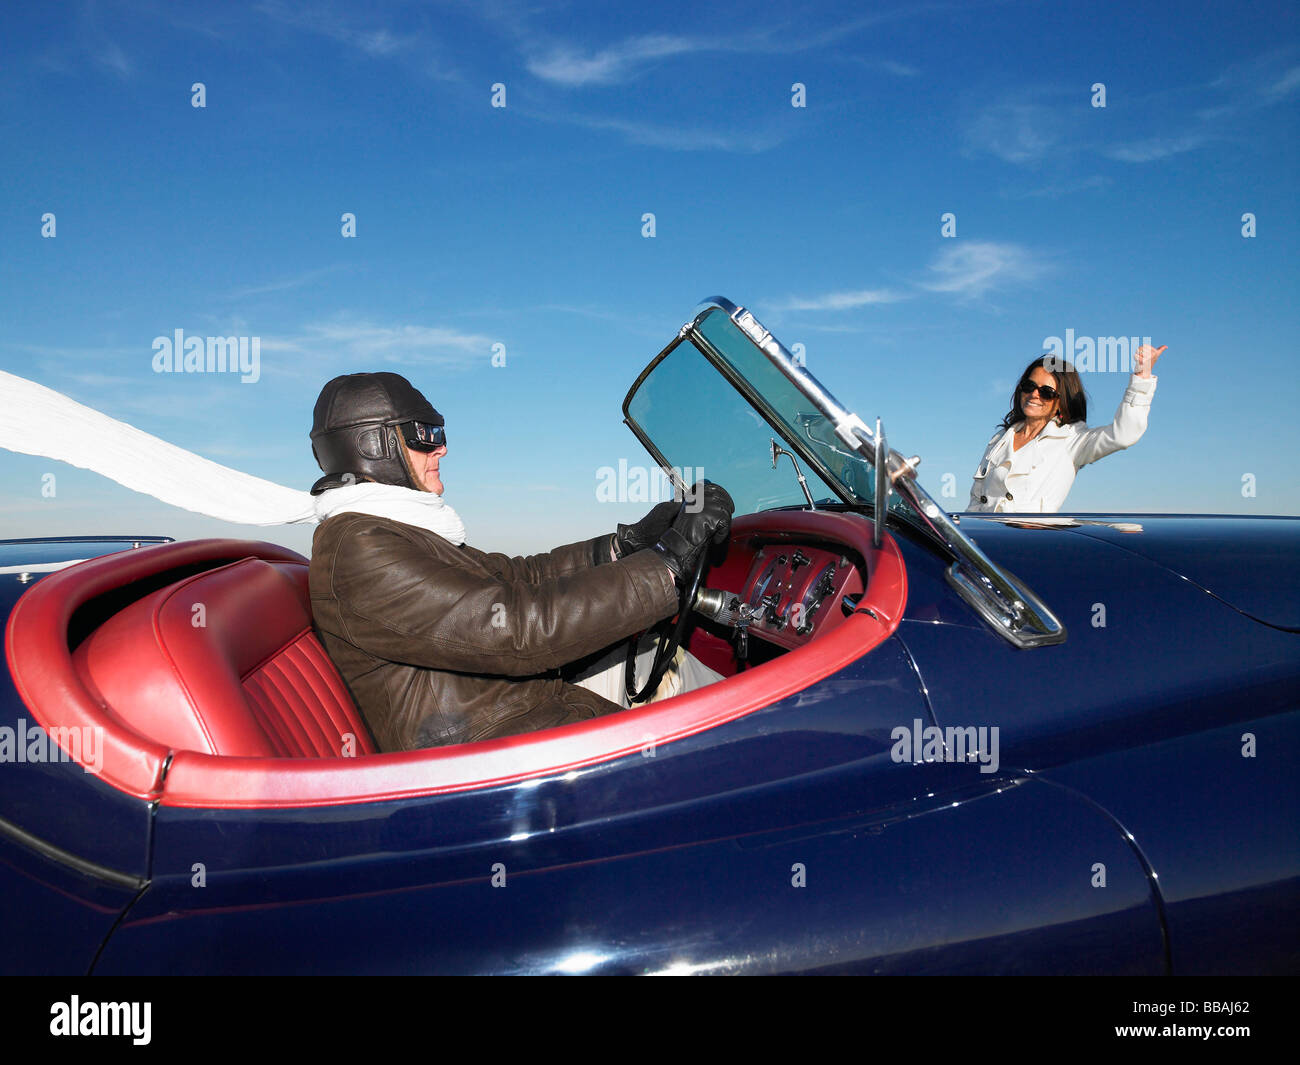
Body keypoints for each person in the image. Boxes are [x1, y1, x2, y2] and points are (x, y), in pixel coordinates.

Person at [306, 371, 732, 751]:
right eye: (425, 434)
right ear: (373, 445)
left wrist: (625, 544)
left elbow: (518, 576)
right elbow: (516, 628)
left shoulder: (394, 530)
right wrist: (667, 563)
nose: (442, 449)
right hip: (487, 754)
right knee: (725, 742)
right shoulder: (361, 548)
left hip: (511, 708)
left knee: (655, 653)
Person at [967, 344, 1166, 513]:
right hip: (987, 543)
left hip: (1030, 548)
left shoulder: (1072, 441)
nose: (1035, 395)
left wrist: (1142, 377)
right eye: (1029, 386)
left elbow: (1124, 435)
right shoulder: (1000, 438)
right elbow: (976, 500)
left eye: (1046, 392)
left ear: (1062, 402)